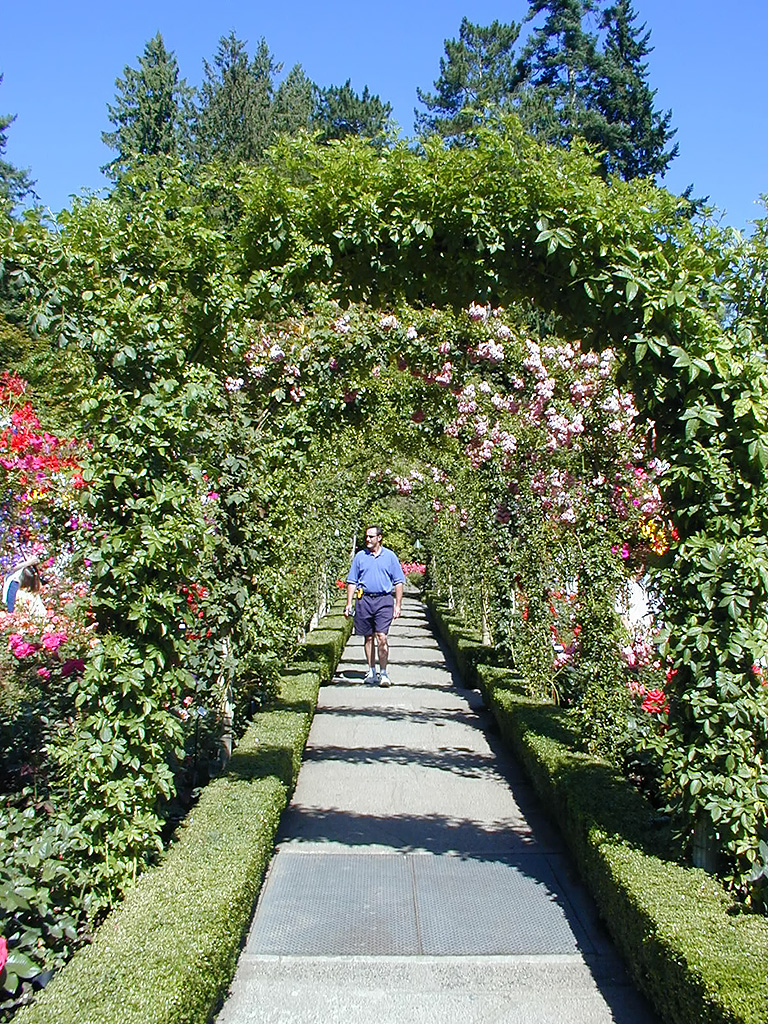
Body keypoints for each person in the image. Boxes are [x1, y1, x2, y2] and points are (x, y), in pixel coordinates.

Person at [344, 525, 405, 687]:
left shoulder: (390, 557)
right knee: (368, 636)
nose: (368, 540)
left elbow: (398, 582)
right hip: (364, 600)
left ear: (379, 538)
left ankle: (383, 672)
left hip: (384, 600)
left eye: (371, 537)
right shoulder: (360, 557)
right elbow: (352, 581)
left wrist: (398, 605)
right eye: (367, 537)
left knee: (381, 636)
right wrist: (349, 603)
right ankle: (371, 670)